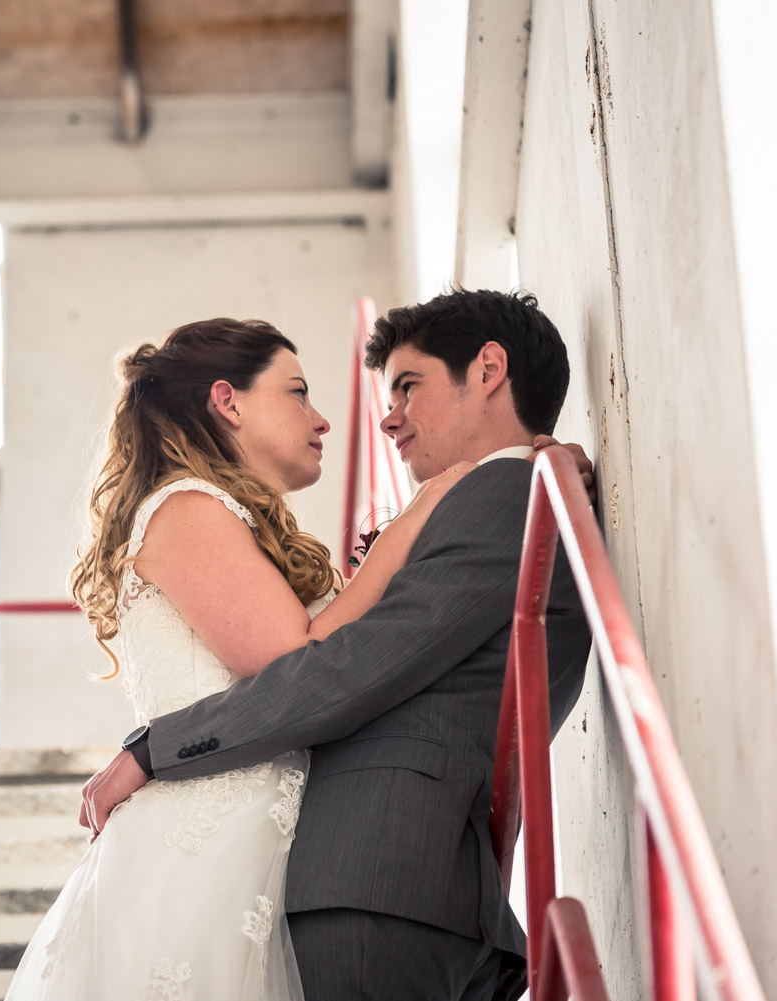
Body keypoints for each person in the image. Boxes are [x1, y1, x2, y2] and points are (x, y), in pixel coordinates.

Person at [79, 289, 595, 1000]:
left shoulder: (506, 491)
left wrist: (151, 749)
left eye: (408, 387)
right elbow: (337, 654)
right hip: (381, 882)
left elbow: (342, 669)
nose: (384, 416)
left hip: (386, 877)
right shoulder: (495, 493)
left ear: (488, 370)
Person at [6, 315, 500, 1000]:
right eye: (297, 391)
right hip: (205, 855)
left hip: (260, 849)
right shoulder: (185, 505)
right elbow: (294, 659)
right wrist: (417, 518)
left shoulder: (225, 517)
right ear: (227, 400)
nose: (323, 419)